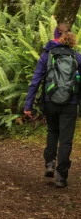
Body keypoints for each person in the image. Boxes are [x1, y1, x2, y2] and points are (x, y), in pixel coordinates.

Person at [24, 23, 81, 188]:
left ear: (56, 36)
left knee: (52, 131)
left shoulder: (46, 55)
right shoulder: (77, 57)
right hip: (70, 103)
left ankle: (50, 163)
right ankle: (61, 177)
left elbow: (35, 81)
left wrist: (28, 105)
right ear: (71, 38)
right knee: (66, 140)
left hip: (50, 102)